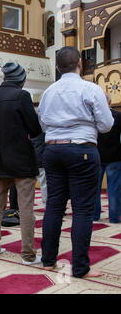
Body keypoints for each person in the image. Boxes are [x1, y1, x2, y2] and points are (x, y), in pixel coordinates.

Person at [39, 46, 114, 278]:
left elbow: (43, 124)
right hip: (81, 149)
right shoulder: (90, 88)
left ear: (58, 67)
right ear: (80, 63)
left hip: (52, 150)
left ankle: (48, 261)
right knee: (82, 209)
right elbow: (106, 125)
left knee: (54, 206)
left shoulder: (48, 92)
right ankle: (80, 267)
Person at [0, 62, 42, 265]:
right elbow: (35, 129)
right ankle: (28, 254)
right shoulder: (22, 96)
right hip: (21, 160)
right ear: (21, 79)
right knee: (26, 207)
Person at [94, 92, 121, 223]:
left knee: (95, 188)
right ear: (110, 102)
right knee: (114, 188)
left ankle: (95, 215)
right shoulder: (118, 116)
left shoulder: (94, 117)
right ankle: (114, 217)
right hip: (115, 156)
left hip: (97, 156)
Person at [31, 131, 47, 204]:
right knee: (44, 184)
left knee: (29, 185)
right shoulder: (44, 134)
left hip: (31, 161)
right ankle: (47, 203)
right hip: (41, 161)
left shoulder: (30, 134)